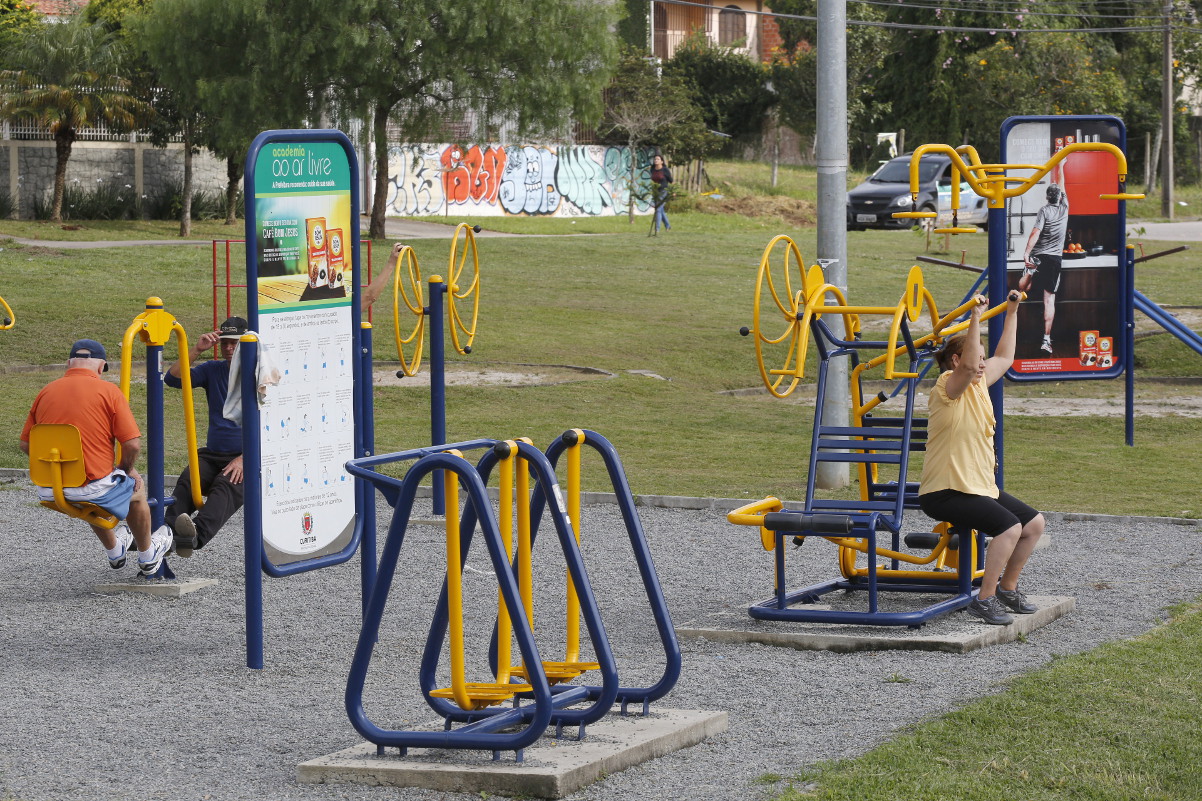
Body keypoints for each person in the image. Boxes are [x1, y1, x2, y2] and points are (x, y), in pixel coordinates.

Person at [918, 292, 1047, 625]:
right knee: (1009, 527)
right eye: (977, 358)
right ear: (956, 360)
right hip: (946, 491)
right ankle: (984, 600)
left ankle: (1007, 588)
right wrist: (975, 316)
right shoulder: (947, 387)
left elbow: (1005, 356)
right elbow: (970, 366)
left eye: (982, 360)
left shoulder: (979, 385)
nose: (983, 364)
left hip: (977, 487)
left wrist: (1012, 312)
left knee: (1033, 524)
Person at [19, 339, 173, 575]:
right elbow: (132, 445)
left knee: (92, 485)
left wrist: (54, 468)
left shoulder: (45, 392)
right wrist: (125, 469)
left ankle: (115, 550)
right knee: (135, 489)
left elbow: (25, 444)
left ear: (69, 363)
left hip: (49, 488)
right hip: (90, 489)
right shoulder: (109, 392)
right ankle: (148, 555)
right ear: (101, 367)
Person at [163, 316, 247, 557]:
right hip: (213, 454)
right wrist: (197, 350)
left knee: (225, 485)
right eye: (225, 343)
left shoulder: (258, 375)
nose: (229, 348)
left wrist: (245, 458)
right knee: (189, 478)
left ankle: (194, 537)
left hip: (246, 456)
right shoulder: (213, 370)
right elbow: (173, 379)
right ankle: (165, 533)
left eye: (234, 343)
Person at [1019, 161, 1068, 355]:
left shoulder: (1044, 210)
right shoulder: (1065, 207)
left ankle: (1030, 274)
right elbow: (1062, 184)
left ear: (1047, 197)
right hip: (1054, 259)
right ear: (1060, 197)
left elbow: (1035, 233)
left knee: (1024, 288)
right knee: (1049, 299)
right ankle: (1046, 340)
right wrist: (1061, 166)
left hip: (1038, 254)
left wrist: (1026, 253)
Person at [649, 154, 673, 236]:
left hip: (664, 191)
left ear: (662, 161)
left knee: (658, 209)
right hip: (655, 191)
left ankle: (657, 229)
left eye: (658, 159)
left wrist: (673, 191)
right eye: (655, 159)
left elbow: (671, 181)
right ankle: (668, 225)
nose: (656, 160)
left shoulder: (665, 170)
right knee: (660, 209)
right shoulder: (652, 169)